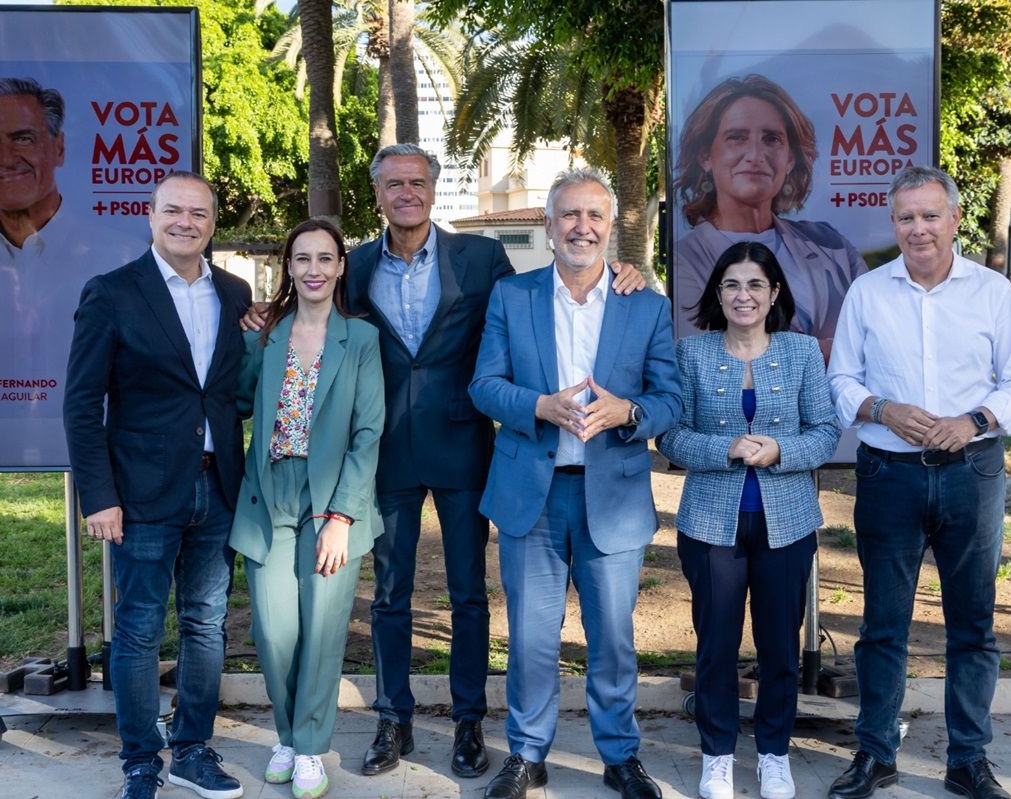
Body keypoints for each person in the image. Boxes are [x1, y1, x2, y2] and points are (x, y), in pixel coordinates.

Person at [336, 143, 643, 778]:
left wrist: (627, 272)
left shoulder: (479, 257)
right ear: (378, 193)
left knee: (467, 594)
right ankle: (395, 718)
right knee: (389, 594)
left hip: (463, 445)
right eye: (394, 184)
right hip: (386, 446)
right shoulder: (354, 265)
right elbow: (317, 315)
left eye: (417, 182)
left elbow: (548, 298)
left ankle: (470, 721)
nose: (407, 194)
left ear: (432, 187)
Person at [826, 166, 1011, 799]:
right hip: (887, 474)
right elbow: (842, 381)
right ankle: (876, 756)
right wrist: (882, 410)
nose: (917, 228)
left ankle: (967, 761)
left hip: (972, 475)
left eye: (929, 215)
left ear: (953, 219)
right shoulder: (867, 291)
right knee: (883, 626)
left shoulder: (993, 291)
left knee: (972, 625)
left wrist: (973, 421)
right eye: (905, 218)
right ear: (893, 225)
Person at [469, 168, 681, 799]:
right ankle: (526, 756)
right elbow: (484, 384)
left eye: (594, 216)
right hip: (531, 495)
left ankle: (619, 756)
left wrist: (630, 413)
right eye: (568, 215)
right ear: (548, 224)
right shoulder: (514, 296)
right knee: (531, 639)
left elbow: (669, 397)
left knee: (612, 638)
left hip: (611, 493)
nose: (581, 227)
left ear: (610, 225)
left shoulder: (646, 304)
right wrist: (538, 406)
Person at [64, 171, 251, 799]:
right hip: (139, 495)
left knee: (206, 622)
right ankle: (141, 759)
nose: (186, 223)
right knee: (140, 626)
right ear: (150, 216)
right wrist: (100, 495)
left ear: (212, 222)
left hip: (218, 487)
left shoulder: (233, 291)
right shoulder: (113, 293)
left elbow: (225, 392)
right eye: (173, 211)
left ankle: (194, 748)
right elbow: (83, 403)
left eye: (199, 214)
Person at [658, 242, 840, 799]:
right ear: (718, 293)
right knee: (715, 642)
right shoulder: (691, 354)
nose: (744, 295)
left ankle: (774, 754)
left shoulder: (803, 351)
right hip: (712, 522)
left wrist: (779, 450)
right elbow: (670, 435)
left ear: (775, 293)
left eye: (755, 285)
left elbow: (826, 431)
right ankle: (716, 755)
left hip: (787, 523)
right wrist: (729, 448)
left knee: (780, 645)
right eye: (733, 285)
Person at [229, 218, 385, 799]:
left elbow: (369, 432)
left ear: (341, 266)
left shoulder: (361, 339)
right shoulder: (268, 333)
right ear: (288, 268)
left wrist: (343, 517)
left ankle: (309, 747)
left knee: (321, 631)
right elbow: (241, 398)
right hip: (268, 494)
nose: (314, 269)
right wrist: (249, 338)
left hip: (331, 501)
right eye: (302, 259)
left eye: (325, 258)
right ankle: (288, 735)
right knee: (273, 632)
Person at [0, 77, 144, 466]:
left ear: (59, 148)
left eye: (23, 138)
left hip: (108, 454)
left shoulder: (124, 258)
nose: (6, 156)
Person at [672, 74, 868, 355]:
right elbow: (710, 360)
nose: (755, 154)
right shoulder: (685, 262)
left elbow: (874, 340)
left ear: (790, 158)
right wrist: (830, 351)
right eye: (737, 138)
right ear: (705, 156)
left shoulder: (831, 246)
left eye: (771, 139)